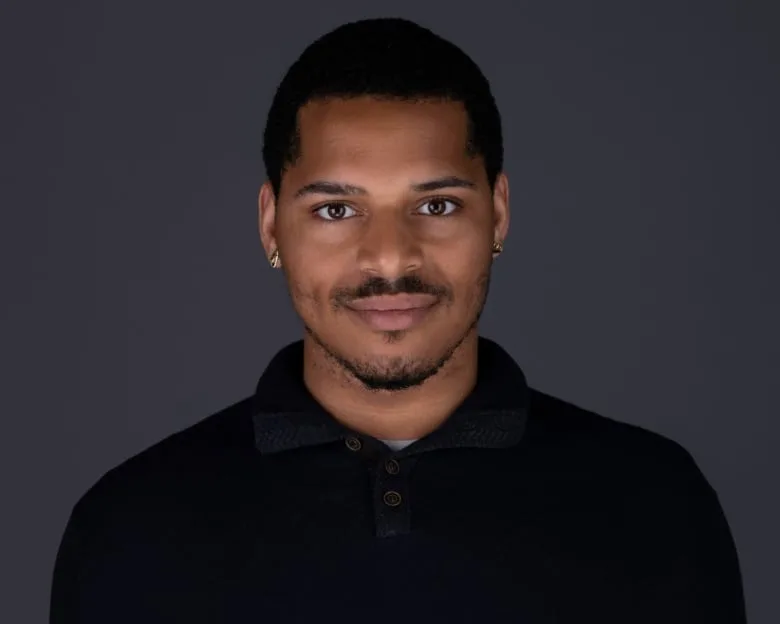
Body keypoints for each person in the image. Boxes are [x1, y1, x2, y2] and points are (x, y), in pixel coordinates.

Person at [50, 17, 746, 624]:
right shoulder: (131, 526)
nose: (389, 256)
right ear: (270, 224)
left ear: (497, 214)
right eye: (335, 210)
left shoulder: (655, 505)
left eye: (437, 205)